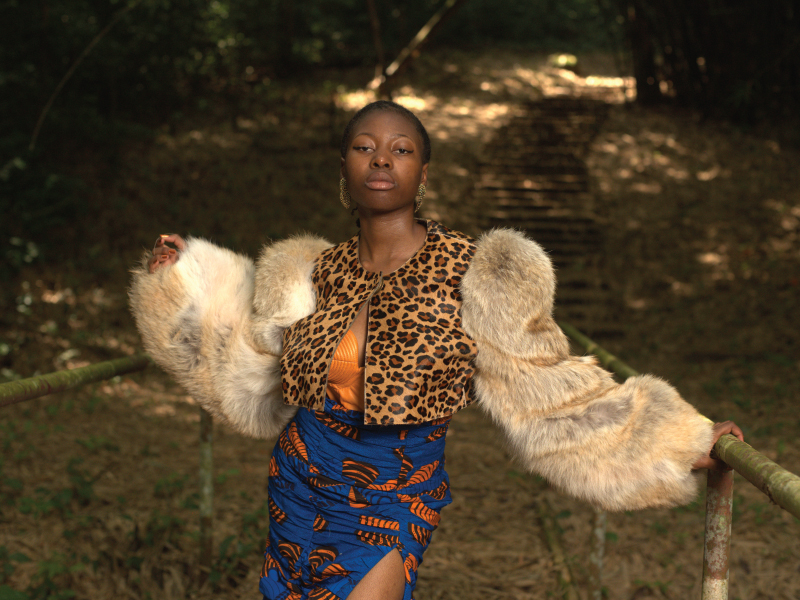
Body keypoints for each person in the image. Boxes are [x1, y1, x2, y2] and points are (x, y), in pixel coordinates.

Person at [130, 100, 743, 600]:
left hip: (394, 495)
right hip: (298, 482)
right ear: (342, 166)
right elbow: (246, 366)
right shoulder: (310, 272)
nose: (381, 160)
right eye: (365, 147)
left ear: (424, 172)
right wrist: (182, 278)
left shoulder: (477, 274)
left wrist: (682, 441)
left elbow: (549, 387)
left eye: (402, 149)